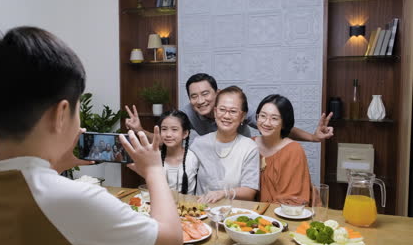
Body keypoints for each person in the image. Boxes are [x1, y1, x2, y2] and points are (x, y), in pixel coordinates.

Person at [0, 26, 182, 245]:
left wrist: (54, 167)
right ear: (61, 114)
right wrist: (153, 170)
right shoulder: (74, 199)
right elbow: (170, 239)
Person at [125, 73, 334, 142]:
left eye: (206, 94)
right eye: (194, 96)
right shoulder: (187, 113)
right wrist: (139, 131)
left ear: (217, 93)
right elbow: (168, 138)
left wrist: (313, 137)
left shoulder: (234, 108)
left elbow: (275, 126)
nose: (200, 101)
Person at [191, 86, 260, 203]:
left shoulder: (249, 147)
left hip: (234, 216)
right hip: (201, 213)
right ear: (215, 111)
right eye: (222, 110)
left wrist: (223, 193)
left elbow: (250, 191)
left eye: (233, 111)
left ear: (242, 116)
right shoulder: (199, 143)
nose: (226, 116)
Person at [253, 94, 311, 204]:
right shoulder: (249, 144)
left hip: (282, 215)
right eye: (263, 116)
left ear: (284, 123)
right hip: (250, 213)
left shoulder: (293, 150)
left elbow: (293, 197)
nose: (266, 122)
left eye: (274, 118)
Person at [158, 110, 199, 194]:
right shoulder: (155, 157)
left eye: (174, 129)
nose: (168, 134)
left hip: (188, 205)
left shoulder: (193, 158)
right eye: (164, 129)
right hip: (161, 205)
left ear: (185, 133)